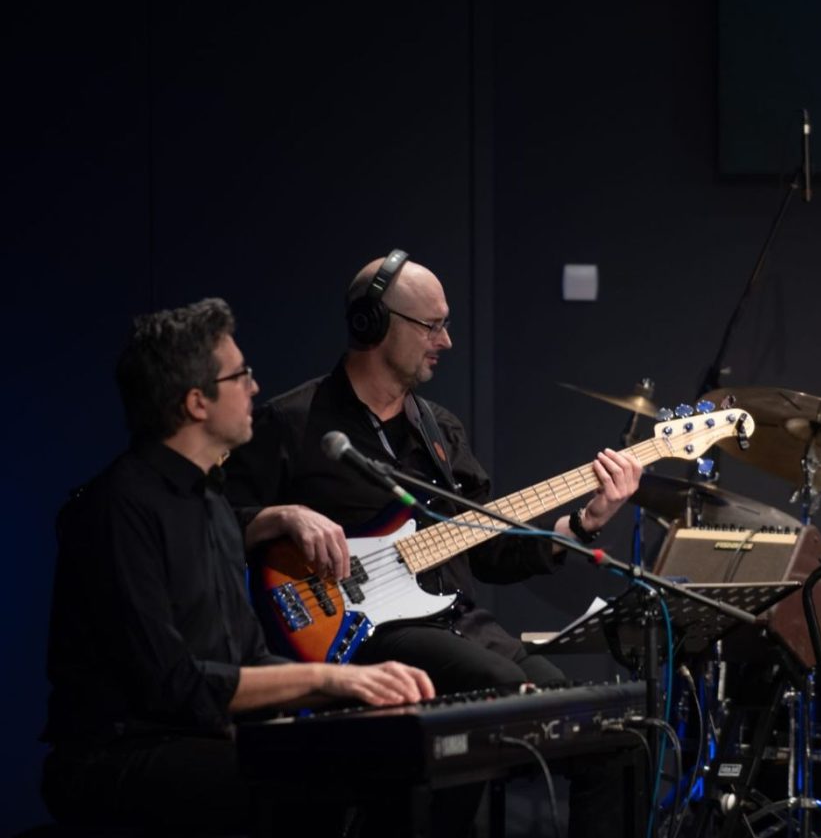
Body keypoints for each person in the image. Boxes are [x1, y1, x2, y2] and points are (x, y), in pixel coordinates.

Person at [223, 251, 644, 836]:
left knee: (612, 734)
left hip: (461, 625)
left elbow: (489, 552)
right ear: (374, 323)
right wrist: (281, 515)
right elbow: (215, 524)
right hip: (364, 634)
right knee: (503, 695)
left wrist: (584, 523)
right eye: (432, 325)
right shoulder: (291, 422)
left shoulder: (440, 430)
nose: (446, 341)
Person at [41, 299, 435, 836]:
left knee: (389, 751)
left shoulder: (212, 504)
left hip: (208, 736)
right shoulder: (119, 508)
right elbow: (172, 686)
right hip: (119, 755)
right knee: (311, 778)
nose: (255, 387)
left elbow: (247, 660)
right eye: (241, 375)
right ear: (196, 402)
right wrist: (332, 678)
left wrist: (361, 688)